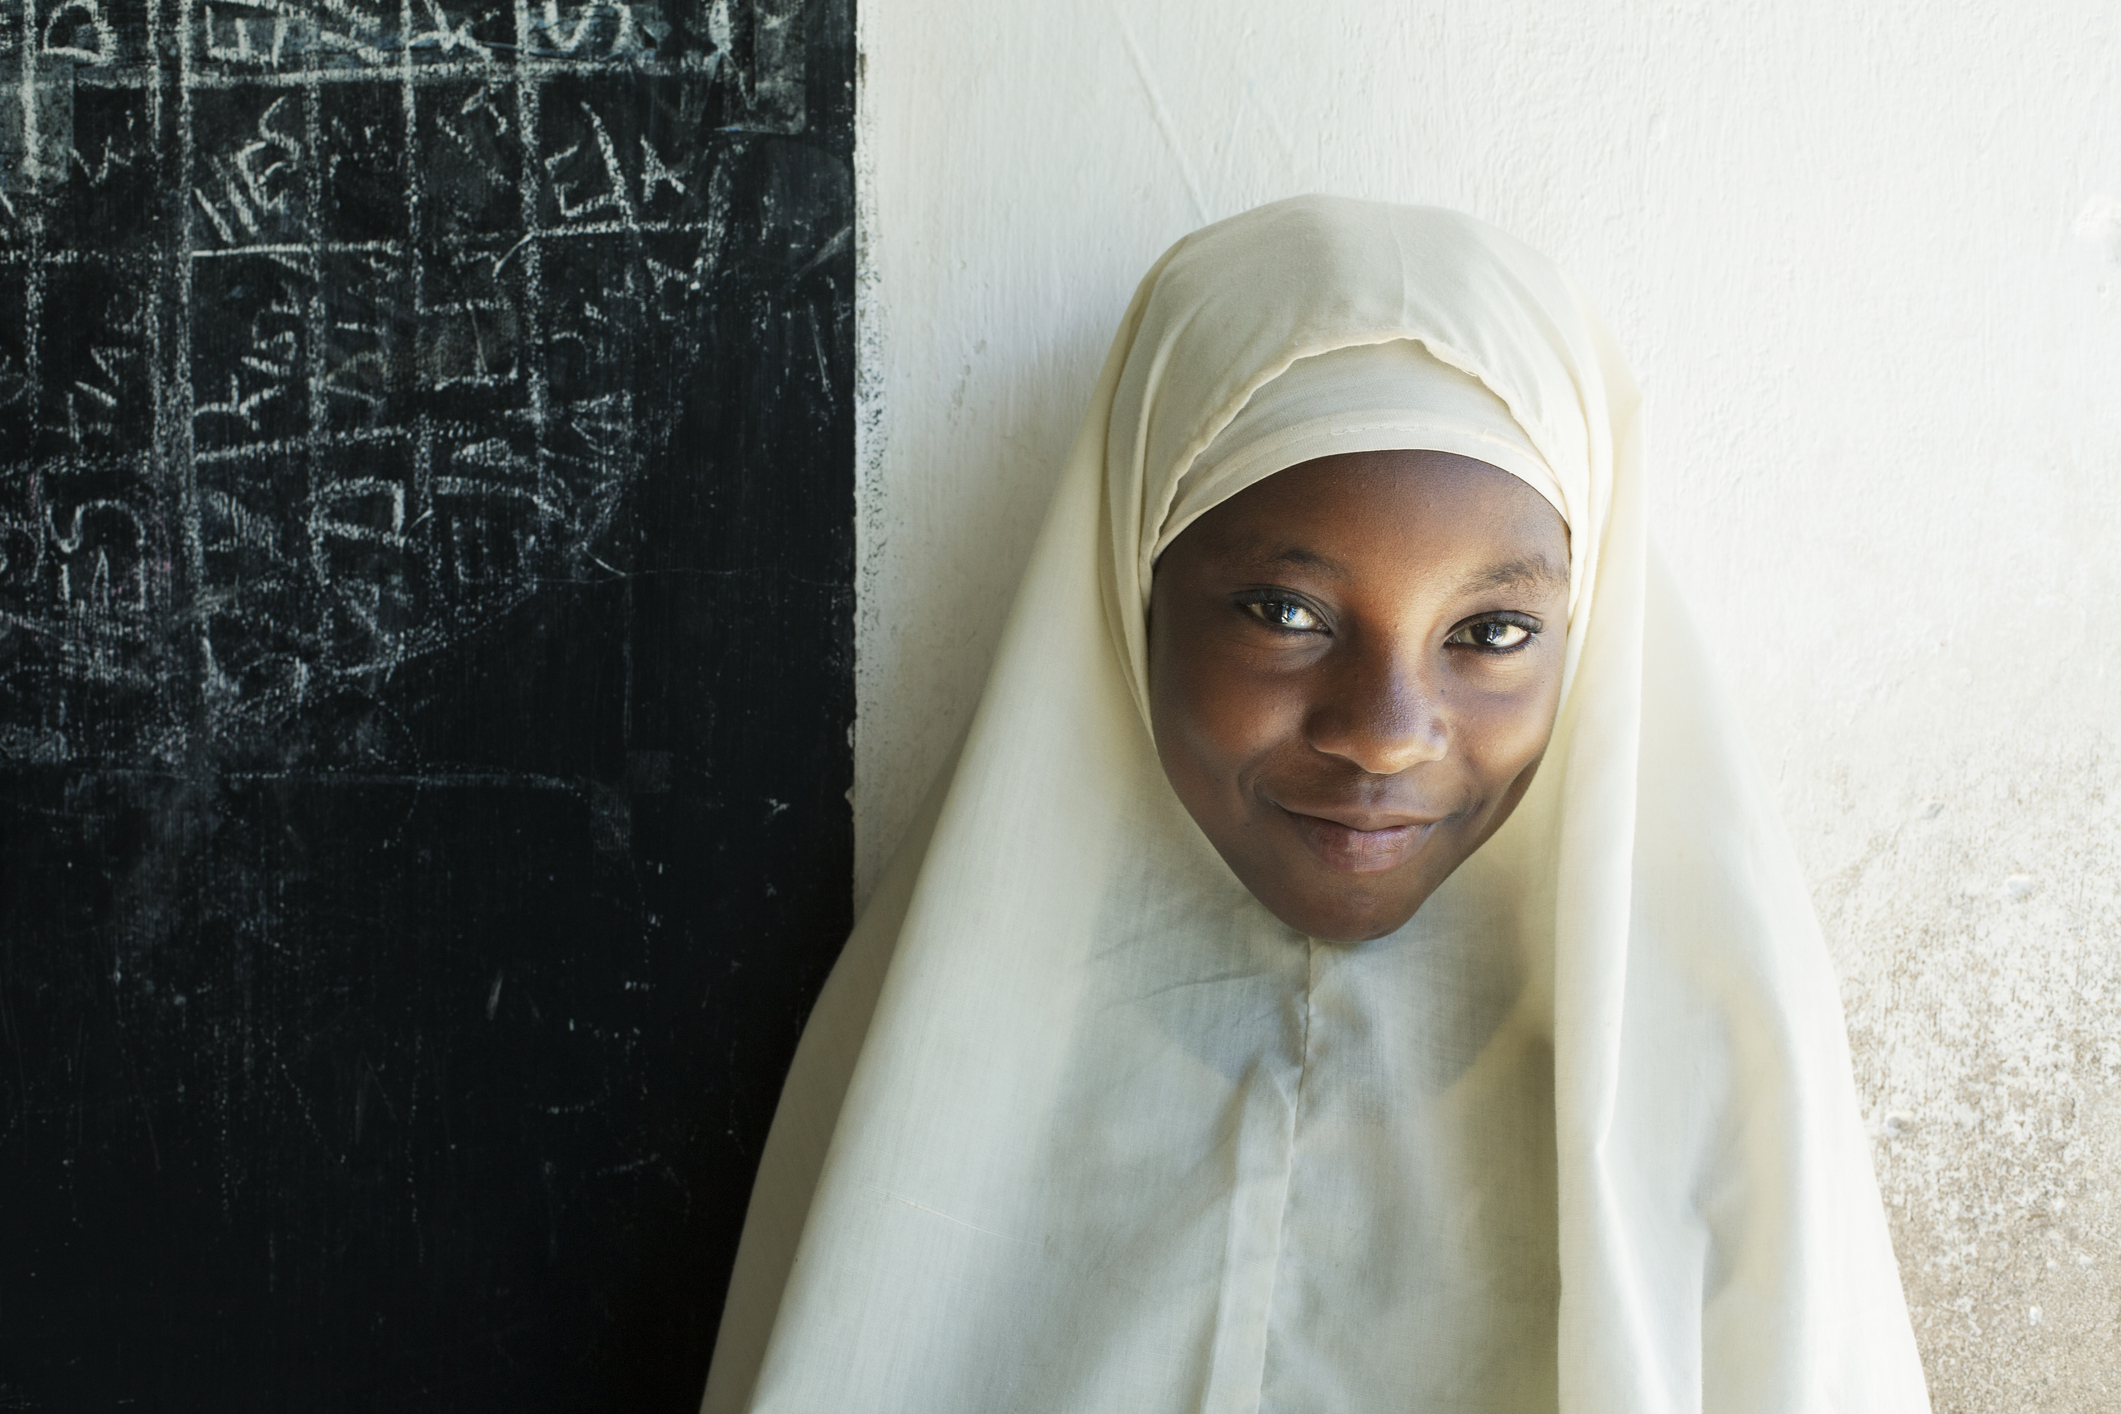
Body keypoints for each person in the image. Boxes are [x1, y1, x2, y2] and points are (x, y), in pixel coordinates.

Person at [701, 196, 1931, 1412]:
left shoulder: (1720, 1105)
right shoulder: (925, 1108)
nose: (1387, 735)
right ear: (1137, 575)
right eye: (1286, 614)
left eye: (1492, 632)